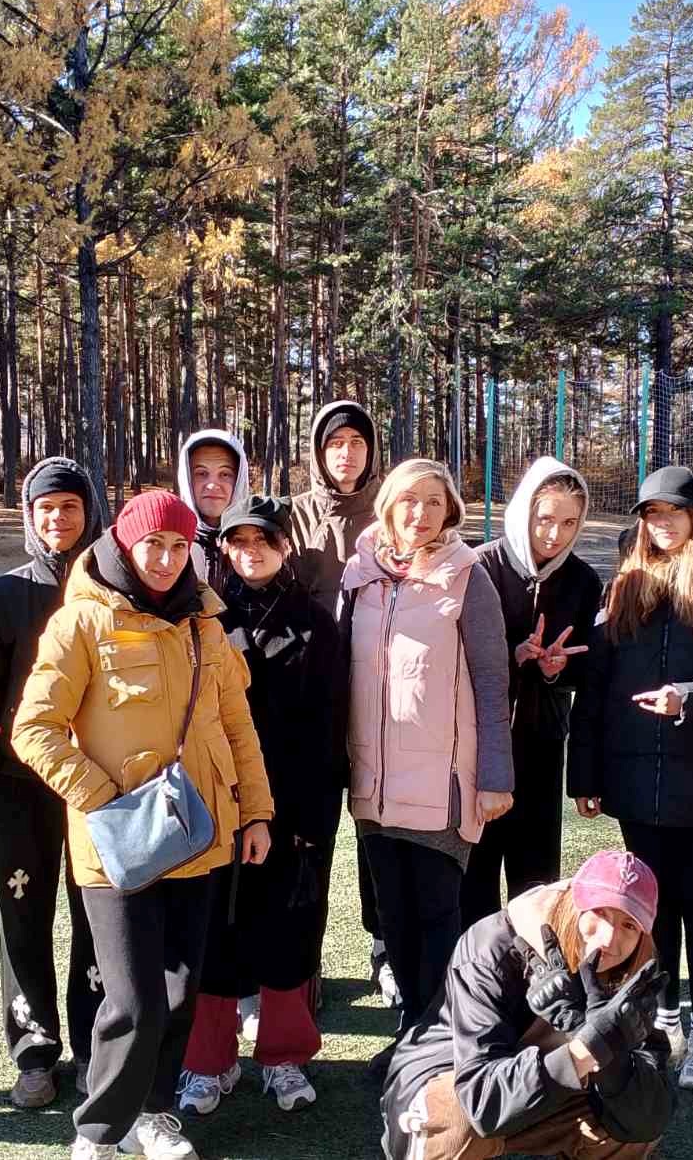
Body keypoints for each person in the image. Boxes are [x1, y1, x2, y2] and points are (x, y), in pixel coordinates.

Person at [11, 489, 275, 1160]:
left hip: (196, 835)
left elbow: (237, 725)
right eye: (152, 543)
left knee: (180, 993)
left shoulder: (205, 626)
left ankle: (152, 1113)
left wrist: (256, 810)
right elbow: (34, 729)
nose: (165, 558)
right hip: (117, 846)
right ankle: (100, 1129)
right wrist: (103, 798)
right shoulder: (81, 621)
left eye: (179, 545)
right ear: (124, 544)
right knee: (132, 1001)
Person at [567, 465, 693, 1096]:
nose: (661, 524)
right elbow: (595, 691)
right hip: (635, 780)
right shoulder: (623, 588)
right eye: (652, 514)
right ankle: (661, 1020)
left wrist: (689, 698)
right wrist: (585, 773)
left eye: (673, 512)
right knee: (647, 910)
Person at [341, 457, 515, 1080]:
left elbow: (493, 683)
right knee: (394, 920)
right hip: (375, 784)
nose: (420, 514)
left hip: (443, 784)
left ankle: (441, 1047)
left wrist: (495, 777)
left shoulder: (467, 577)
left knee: (439, 918)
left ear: (450, 512)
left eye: (434, 502)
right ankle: (412, 1032)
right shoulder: (359, 577)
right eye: (409, 500)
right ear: (387, 505)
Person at [177, 495, 347, 1117]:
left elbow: (330, 727)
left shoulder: (317, 623)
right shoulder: (201, 619)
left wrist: (310, 821)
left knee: (290, 931)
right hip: (218, 805)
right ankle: (207, 1062)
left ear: (285, 545)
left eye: (264, 540)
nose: (252, 552)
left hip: (295, 810)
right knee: (214, 933)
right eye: (240, 541)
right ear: (224, 548)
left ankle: (284, 1056)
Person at [0, 456, 103, 1109]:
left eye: (69, 506)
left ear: (89, 512)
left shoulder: (111, 591)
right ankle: (34, 1051)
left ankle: (97, 1046)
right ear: (29, 515)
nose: (58, 518)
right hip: (20, 783)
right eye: (45, 507)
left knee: (97, 915)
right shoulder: (3, 594)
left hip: (97, 783)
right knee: (22, 913)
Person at [381, 849, 674, 1160]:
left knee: (626, 1123)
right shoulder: (491, 947)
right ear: (573, 904)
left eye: (629, 925)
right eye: (599, 912)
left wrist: (600, 1047)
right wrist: (584, 1050)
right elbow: (482, 1105)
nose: (608, 939)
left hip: (540, 1087)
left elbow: (649, 1119)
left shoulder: (635, 971)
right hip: (452, 1075)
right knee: (452, 1119)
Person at [287, 400, 396, 1008]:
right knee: (312, 835)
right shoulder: (293, 516)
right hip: (313, 705)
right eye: (335, 443)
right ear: (318, 451)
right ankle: (304, 960)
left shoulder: (391, 513)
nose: (347, 453)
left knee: (378, 828)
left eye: (357, 441)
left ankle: (385, 947)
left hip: (384, 700)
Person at [465, 457, 601, 925]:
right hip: (481, 744)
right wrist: (513, 655)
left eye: (569, 523)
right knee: (476, 879)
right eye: (545, 519)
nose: (554, 534)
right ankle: (477, 967)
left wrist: (556, 669)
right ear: (525, 510)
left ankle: (536, 968)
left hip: (542, 744)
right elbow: (455, 659)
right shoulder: (479, 566)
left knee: (537, 882)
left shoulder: (583, 580)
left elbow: (586, 671)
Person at [176, 428, 251, 595]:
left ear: (239, 479)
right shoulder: (169, 541)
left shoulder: (259, 540)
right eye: (201, 473)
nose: (212, 485)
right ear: (187, 479)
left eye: (225, 474)